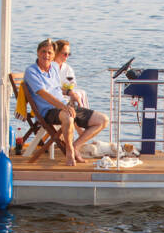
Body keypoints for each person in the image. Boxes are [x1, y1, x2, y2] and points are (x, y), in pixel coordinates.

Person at [23, 38, 107, 166]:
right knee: (68, 117)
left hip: (63, 106)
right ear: (38, 52)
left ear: (53, 56)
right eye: (43, 52)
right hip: (48, 111)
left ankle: (75, 146)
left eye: (50, 53)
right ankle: (69, 152)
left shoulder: (54, 68)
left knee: (103, 120)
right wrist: (64, 107)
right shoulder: (31, 71)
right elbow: (43, 93)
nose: (46, 55)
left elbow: (56, 88)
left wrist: (69, 93)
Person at [53, 39, 89, 111]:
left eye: (68, 54)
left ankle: (83, 117)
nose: (67, 56)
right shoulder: (49, 67)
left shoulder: (67, 68)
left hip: (67, 95)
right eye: (64, 54)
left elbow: (72, 83)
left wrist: (70, 90)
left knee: (81, 93)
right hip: (54, 97)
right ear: (56, 52)